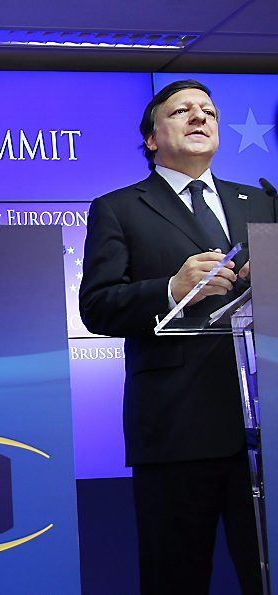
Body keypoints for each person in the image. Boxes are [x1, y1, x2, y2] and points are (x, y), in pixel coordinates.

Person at [79, 79, 276, 594]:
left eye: (208, 110)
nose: (198, 116)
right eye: (182, 110)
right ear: (151, 138)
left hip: (264, 424)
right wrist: (171, 288)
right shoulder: (119, 207)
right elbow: (96, 306)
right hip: (176, 426)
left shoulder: (260, 201)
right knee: (176, 578)